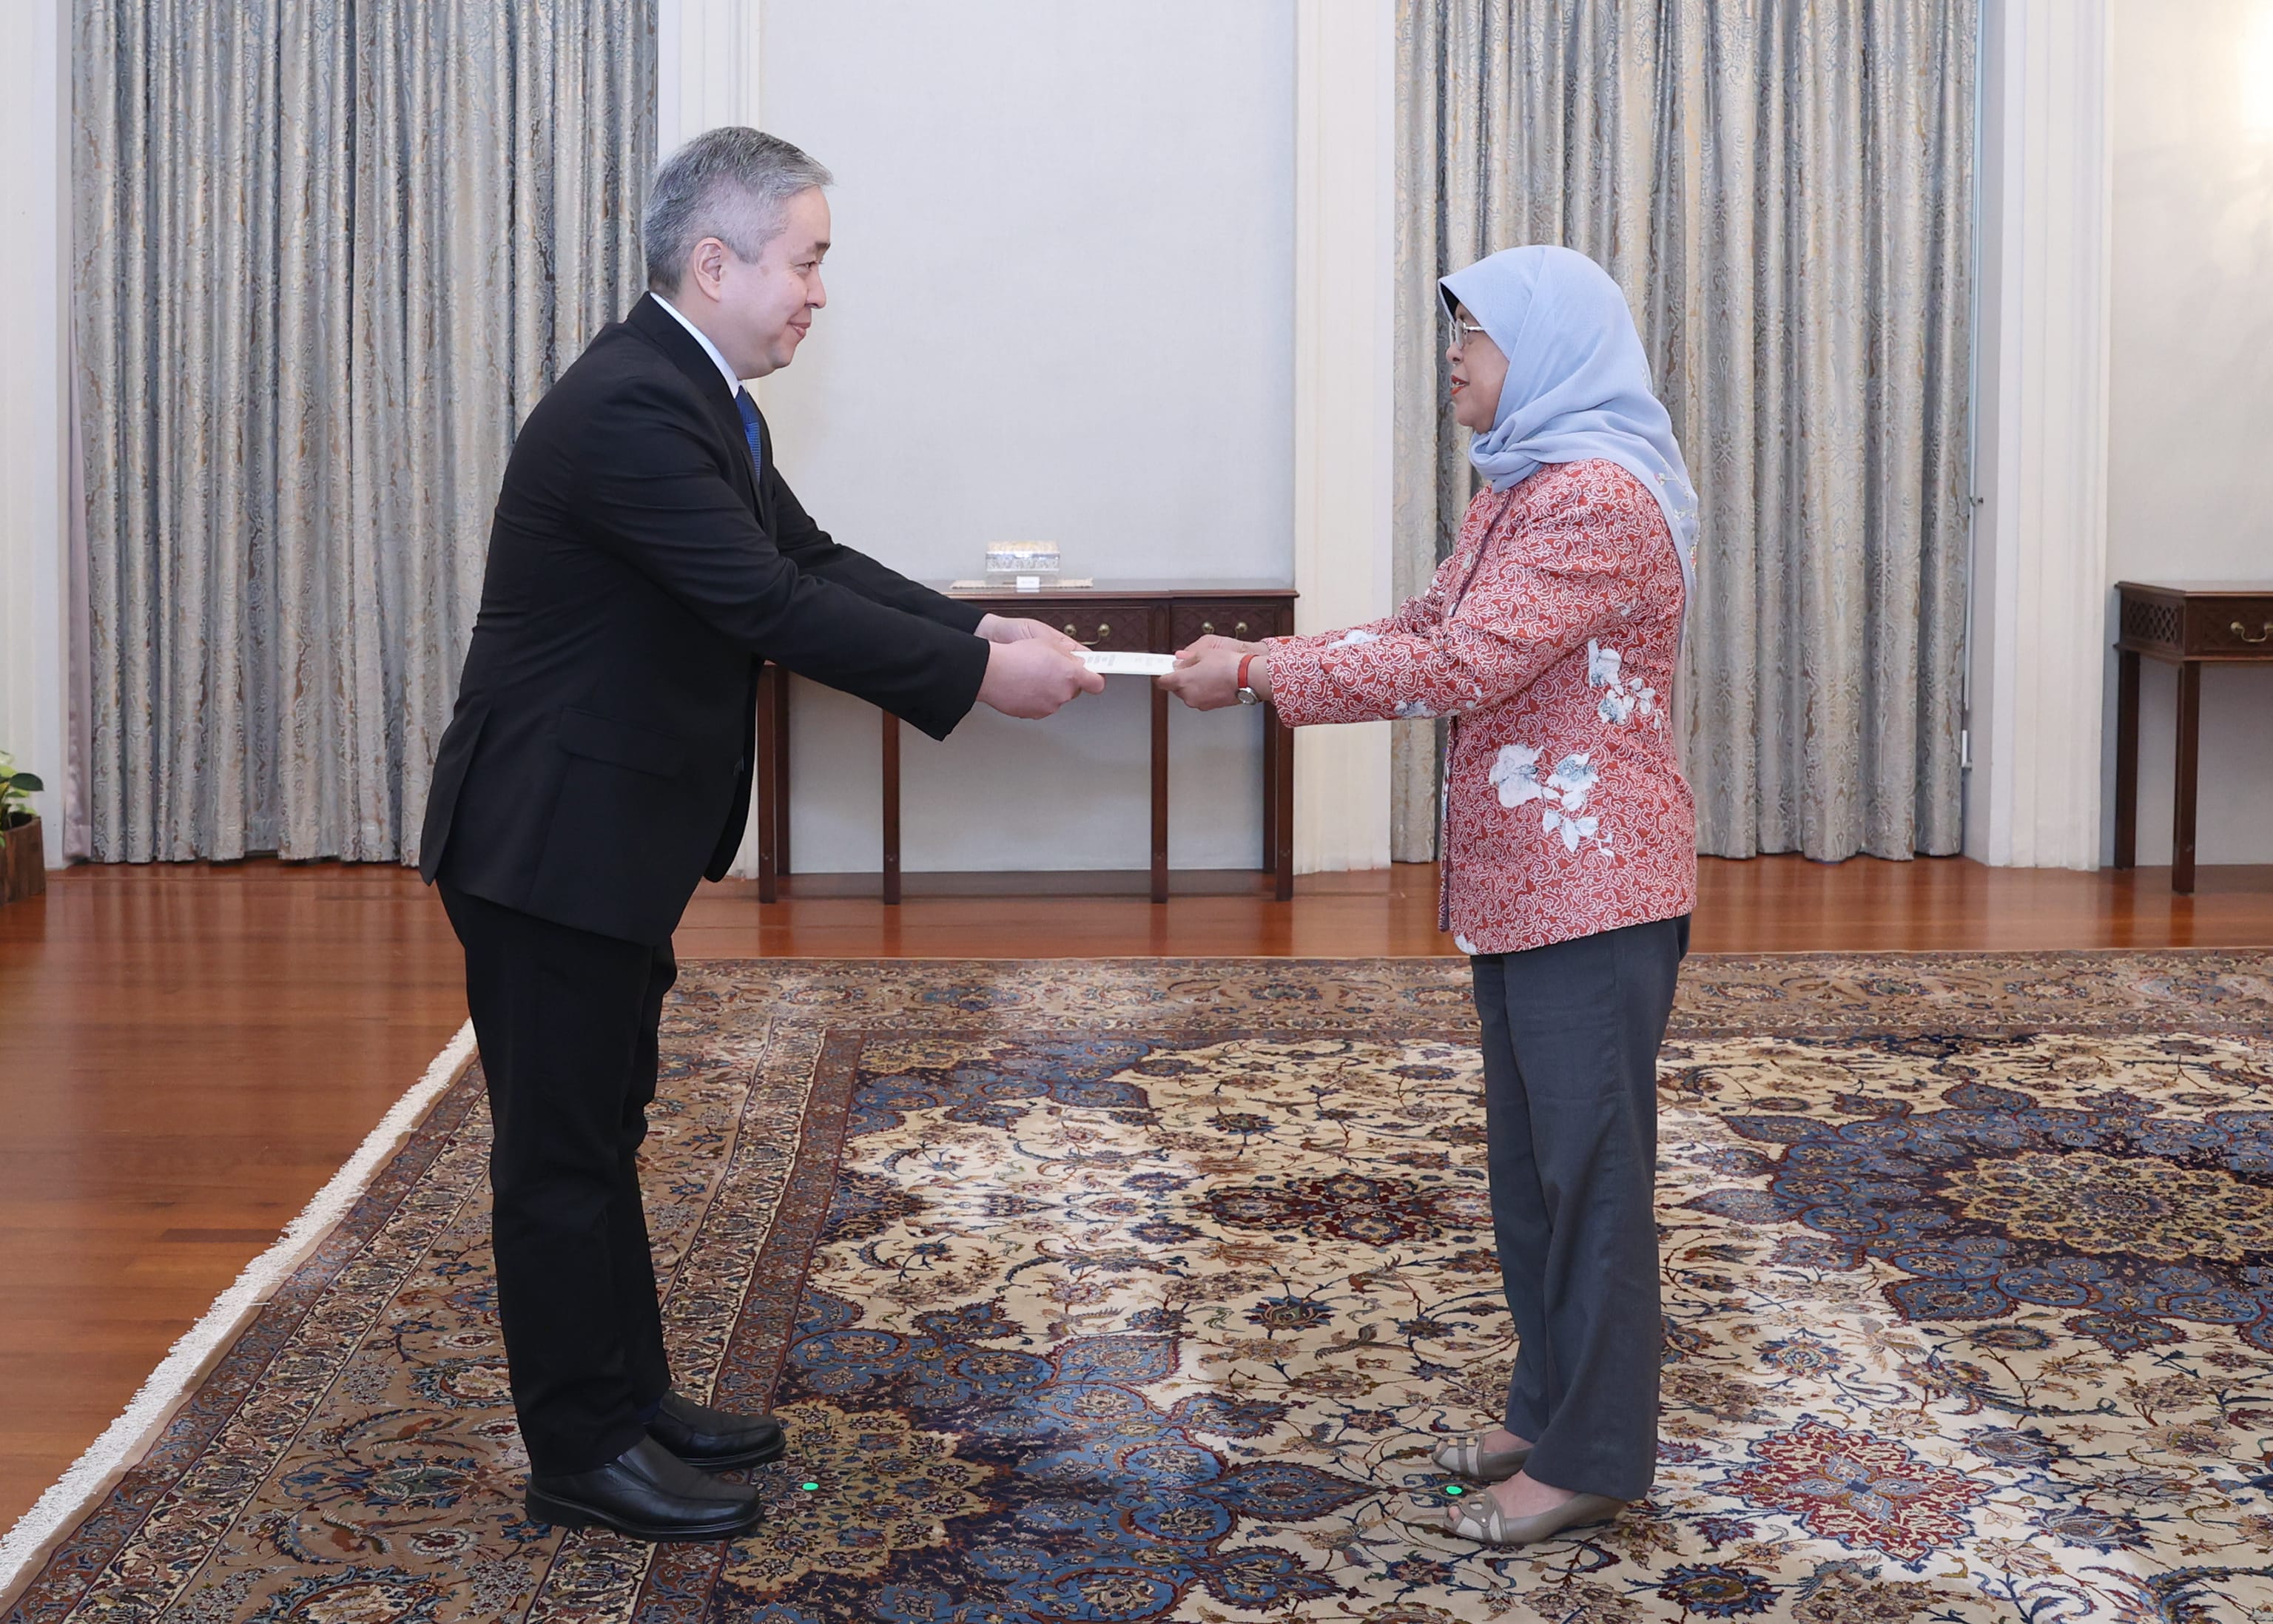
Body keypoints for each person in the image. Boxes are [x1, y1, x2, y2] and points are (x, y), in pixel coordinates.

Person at [417, 127, 1102, 1543]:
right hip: (547, 844)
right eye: (808, 261)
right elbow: (769, 610)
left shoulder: (700, 395)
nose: (819, 294)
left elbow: (810, 558)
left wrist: (976, 626)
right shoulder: (629, 407)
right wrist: (983, 683)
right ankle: (579, 1451)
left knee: (605, 1131)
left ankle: (629, 1400)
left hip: (604, 842)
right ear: (714, 261)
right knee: (558, 1158)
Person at [1160, 245, 1697, 1549]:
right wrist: (1267, 661)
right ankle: (1547, 1407)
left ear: (1552, 350)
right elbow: (1423, 622)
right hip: (1525, 890)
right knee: (1533, 1176)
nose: (1452, 355)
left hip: (1596, 888)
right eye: (1450, 331)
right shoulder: (1517, 487)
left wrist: (1256, 671)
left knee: (1593, 1177)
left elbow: (1458, 663)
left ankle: (1595, 1456)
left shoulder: (1595, 499)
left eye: (1475, 334)